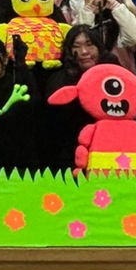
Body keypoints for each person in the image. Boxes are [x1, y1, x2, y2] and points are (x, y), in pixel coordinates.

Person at [43, 27, 118, 170]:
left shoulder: (113, 72)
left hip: (110, 146)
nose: (84, 52)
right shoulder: (59, 78)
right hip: (71, 150)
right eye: (76, 46)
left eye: (89, 45)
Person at [0, 36, 39, 174]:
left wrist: (21, 64)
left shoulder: (17, 80)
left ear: (4, 59)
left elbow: (34, 102)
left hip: (19, 157)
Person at [74, 0, 136, 77]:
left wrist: (115, 6)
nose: (97, 1)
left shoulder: (121, 19)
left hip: (122, 76)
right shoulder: (81, 18)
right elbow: (81, 40)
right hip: (91, 77)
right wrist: (88, 11)